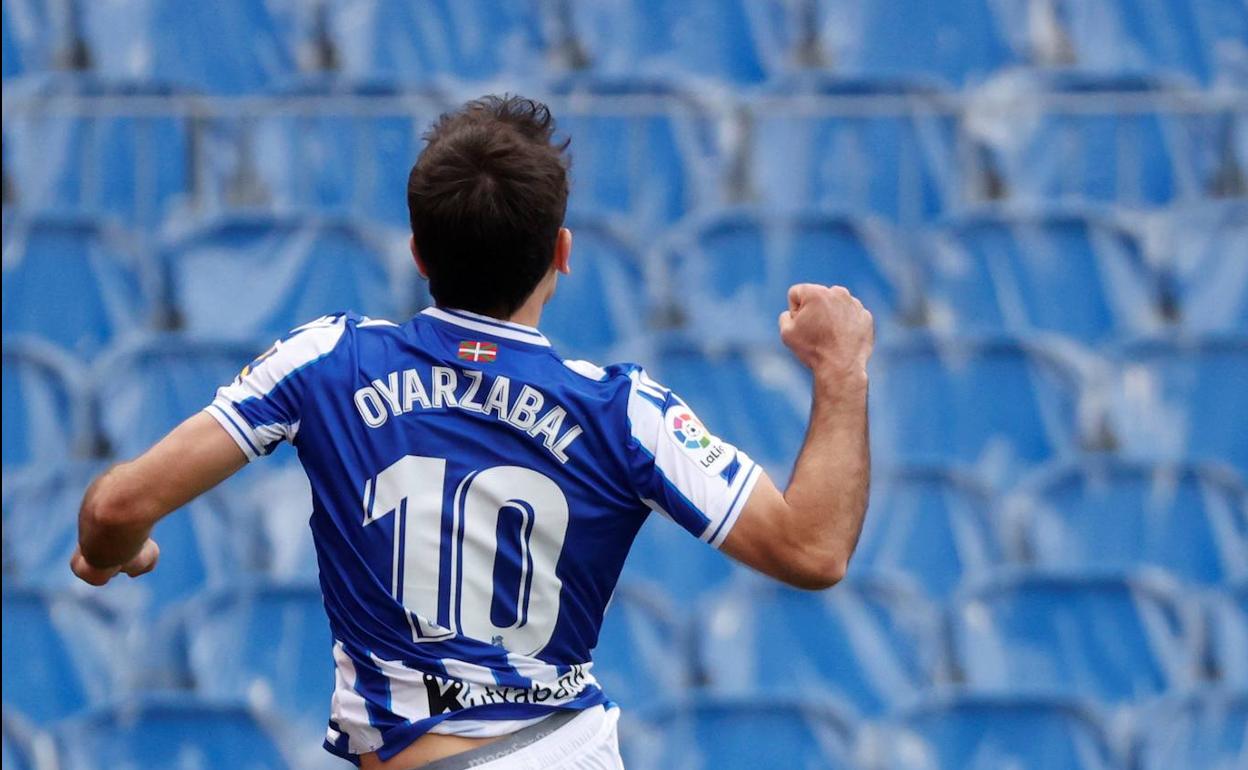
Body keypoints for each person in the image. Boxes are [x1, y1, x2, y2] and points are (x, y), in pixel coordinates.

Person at [71, 95, 874, 770]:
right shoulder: (626, 410)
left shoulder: (327, 361)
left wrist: (116, 553)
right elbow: (813, 549)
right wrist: (840, 371)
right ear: (562, 253)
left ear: (418, 253)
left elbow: (115, 508)